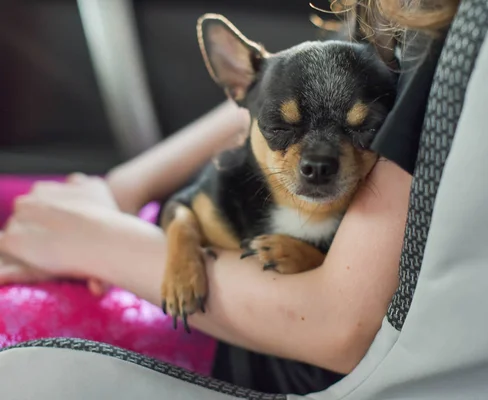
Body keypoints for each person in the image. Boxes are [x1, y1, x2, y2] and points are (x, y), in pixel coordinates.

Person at [0, 0, 457, 395]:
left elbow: (339, 327)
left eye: (362, 127)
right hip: (192, 241)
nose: (317, 162)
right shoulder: (405, 20)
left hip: (276, 349)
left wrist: (94, 242)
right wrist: (120, 190)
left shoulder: (444, 47)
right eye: (283, 128)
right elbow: (280, 79)